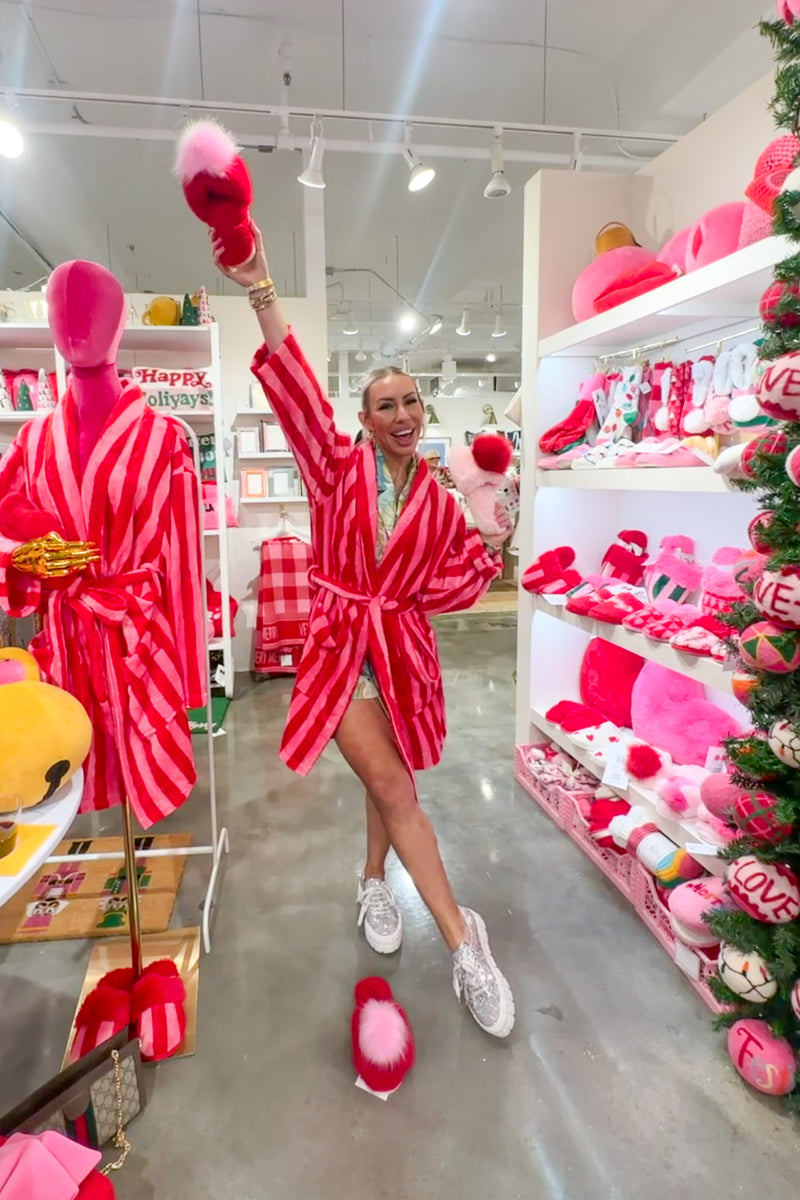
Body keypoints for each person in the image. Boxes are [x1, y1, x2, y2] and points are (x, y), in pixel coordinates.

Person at [211, 223, 515, 1038]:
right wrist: (261, 288)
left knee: (394, 780)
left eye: (412, 400)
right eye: (387, 404)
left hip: (404, 654)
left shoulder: (441, 500)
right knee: (392, 786)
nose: (404, 413)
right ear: (364, 417)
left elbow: (450, 584)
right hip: (343, 647)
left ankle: (373, 879)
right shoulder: (333, 467)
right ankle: (464, 943)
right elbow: (298, 388)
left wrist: (492, 548)